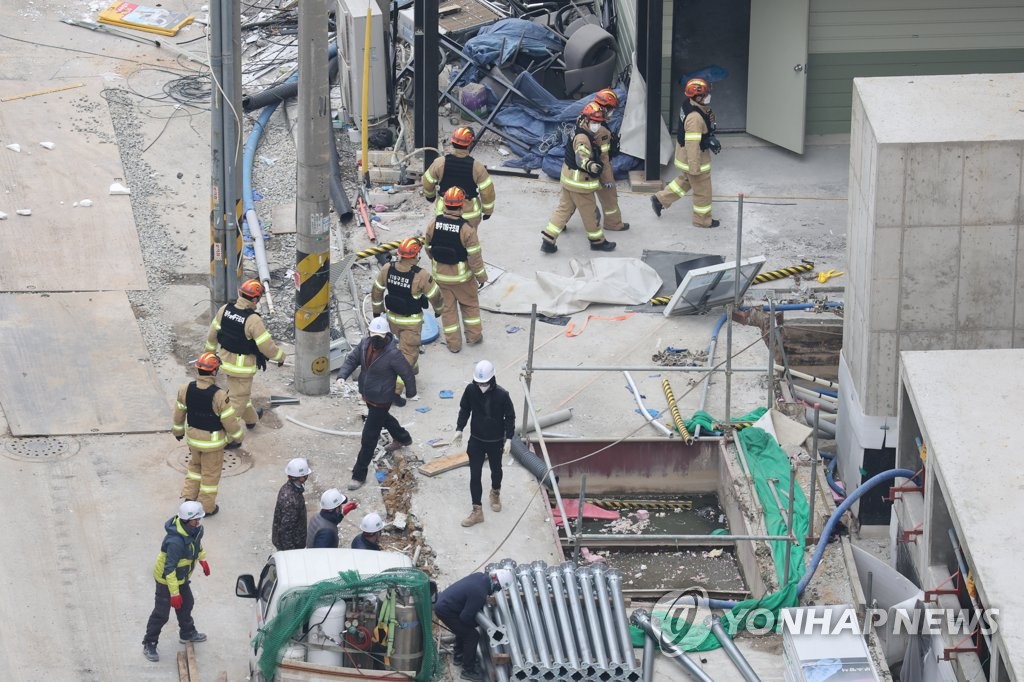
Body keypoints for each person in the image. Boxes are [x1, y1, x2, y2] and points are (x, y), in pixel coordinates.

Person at [338, 316, 417, 491]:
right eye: (373, 335)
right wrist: (342, 375)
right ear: (369, 333)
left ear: (386, 336)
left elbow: (407, 373)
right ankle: (403, 437)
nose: (376, 340)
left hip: (382, 399)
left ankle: (358, 475)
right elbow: (352, 360)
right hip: (368, 395)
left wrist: (411, 392)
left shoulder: (393, 354)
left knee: (369, 437)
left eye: (379, 337)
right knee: (384, 419)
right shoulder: (364, 344)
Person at [204, 278, 285, 433]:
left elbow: (212, 334)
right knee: (237, 400)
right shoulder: (253, 320)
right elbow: (266, 346)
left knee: (241, 395)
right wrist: (280, 357)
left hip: (225, 362)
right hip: (242, 369)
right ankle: (226, 435)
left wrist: (209, 356)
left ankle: (251, 419)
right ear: (255, 299)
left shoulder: (225, 310)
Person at [370, 237, 444, 403]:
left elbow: (376, 290)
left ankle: (412, 371)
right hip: (411, 322)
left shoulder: (387, 268)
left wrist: (377, 311)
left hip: (392, 320)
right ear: (415, 254)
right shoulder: (421, 275)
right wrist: (439, 310)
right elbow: (435, 295)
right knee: (408, 354)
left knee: (407, 349)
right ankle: (395, 389)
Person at [172, 352, 245, 516]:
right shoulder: (219, 395)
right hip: (212, 445)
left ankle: (189, 497)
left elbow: (179, 414)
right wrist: (238, 437)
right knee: (210, 476)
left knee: (195, 468)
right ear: (214, 371)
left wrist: (178, 431)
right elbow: (230, 422)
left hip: (193, 441)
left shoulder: (185, 389)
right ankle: (207, 507)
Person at [541, 102, 617, 254]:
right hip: (580, 184)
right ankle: (597, 241)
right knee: (591, 213)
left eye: (599, 122)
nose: (597, 125)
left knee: (563, 209)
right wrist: (592, 166)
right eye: (594, 122)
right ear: (586, 119)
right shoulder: (583, 137)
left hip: (568, 180)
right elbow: (580, 157)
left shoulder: (579, 127)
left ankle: (548, 239)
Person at [142, 501, 210, 663]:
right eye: (196, 520)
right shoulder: (175, 542)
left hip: (181, 576)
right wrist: (174, 593)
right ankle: (149, 643)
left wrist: (203, 560)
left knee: (187, 603)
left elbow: (196, 547)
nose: (198, 522)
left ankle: (187, 633)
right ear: (187, 520)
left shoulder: (195, 531)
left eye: (199, 519)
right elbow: (169, 570)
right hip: (166, 579)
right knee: (161, 614)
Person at [452, 360, 516, 527]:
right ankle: (477, 511)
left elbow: (510, 417)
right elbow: (464, 409)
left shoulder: (502, 395)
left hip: (495, 441)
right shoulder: (471, 390)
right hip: (476, 439)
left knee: (496, 470)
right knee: (475, 475)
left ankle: (495, 492)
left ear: (492, 379)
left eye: (484, 383)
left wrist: (509, 438)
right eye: (478, 382)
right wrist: (459, 428)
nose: (481, 385)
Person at [650, 78, 721, 228]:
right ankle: (702, 220)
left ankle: (660, 199)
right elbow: (692, 144)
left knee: (685, 181)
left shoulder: (691, 105)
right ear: (698, 97)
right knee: (703, 191)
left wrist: (709, 117)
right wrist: (695, 167)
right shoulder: (694, 119)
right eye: (706, 94)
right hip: (694, 159)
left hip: (685, 157)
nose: (709, 96)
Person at [424, 187, 487, 354]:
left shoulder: (433, 224)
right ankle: (474, 337)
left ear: (445, 204)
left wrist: (437, 262)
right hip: (462, 279)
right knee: (470, 306)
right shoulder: (467, 229)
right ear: (461, 206)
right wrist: (481, 277)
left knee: (448, 311)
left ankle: (454, 345)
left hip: (441, 278)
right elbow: (474, 257)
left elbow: (428, 248)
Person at [434, 569, 514, 681]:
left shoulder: (480, 576)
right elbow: (465, 618)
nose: (498, 591)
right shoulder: (480, 592)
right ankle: (468, 670)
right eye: (499, 588)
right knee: (472, 636)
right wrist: (482, 624)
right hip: (445, 610)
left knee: (463, 629)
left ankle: (459, 655)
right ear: (497, 584)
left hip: (446, 602)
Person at [422, 127, 496, 228]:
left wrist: (430, 196)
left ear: (452, 142)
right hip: (469, 216)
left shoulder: (439, 163)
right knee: (468, 241)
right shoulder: (477, 167)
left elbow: (427, 181)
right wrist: (488, 211)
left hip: (444, 213)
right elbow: (488, 192)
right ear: (470, 144)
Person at [591, 88, 629, 232]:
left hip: (577, 168)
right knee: (609, 196)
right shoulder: (602, 131)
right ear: (605, 108)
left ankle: (557, 225)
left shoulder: (584, 118)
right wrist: (607, 180)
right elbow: (604, 158)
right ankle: (613, 224)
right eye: (611, 109)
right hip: (596, 168)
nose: (612, 112)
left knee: (569, 200)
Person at [272, 458, 311, 551]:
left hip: (290, 542)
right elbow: (285, 531)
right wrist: (291, 553)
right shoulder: (291, 500)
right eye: (306, 475)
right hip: (292, 546)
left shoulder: (288, 488)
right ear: (301, 478)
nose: (307, 476)